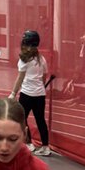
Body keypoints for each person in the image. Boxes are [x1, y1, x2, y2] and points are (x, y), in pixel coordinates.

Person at [10, 29, 52, 157]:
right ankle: (46, 147)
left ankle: (29, 143)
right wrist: (39, 87)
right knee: (40, 120)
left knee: (22, 119)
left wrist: (13, 93)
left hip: (26, 94)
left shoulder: (24, 59)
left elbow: (20, 78)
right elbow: (44, 77)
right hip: (40, 95)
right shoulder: (42, 59)